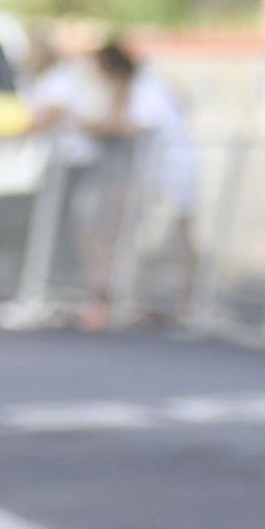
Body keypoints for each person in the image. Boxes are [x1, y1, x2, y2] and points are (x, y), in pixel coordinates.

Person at [77, 42, 201, 326]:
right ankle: (136, 299)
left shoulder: (146, 89)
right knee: (132, 235)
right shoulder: (134, 89)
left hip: (171, 174)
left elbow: (133, 125)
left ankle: (187, 302)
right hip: (152, 176)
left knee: (176, 237)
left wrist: (88, 124)